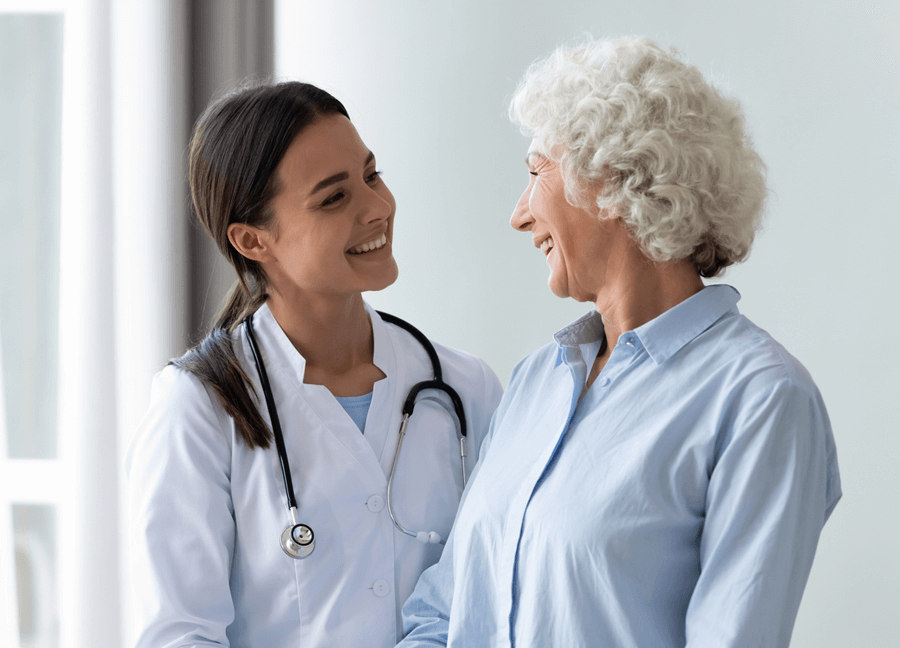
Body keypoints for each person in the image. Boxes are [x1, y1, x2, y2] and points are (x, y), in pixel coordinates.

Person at [400, 37, 841, 647]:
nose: (519, 214)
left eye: (535, 172)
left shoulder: (762, 399)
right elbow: (444, 614)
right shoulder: (538, 379)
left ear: (608, 177)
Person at [125, 81, 502, 648]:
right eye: (333, 198)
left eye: (371, 176)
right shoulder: (198, 409)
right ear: (253, 240)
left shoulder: (463, 388)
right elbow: (180, 635)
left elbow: (498, 592)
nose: (378, 208)